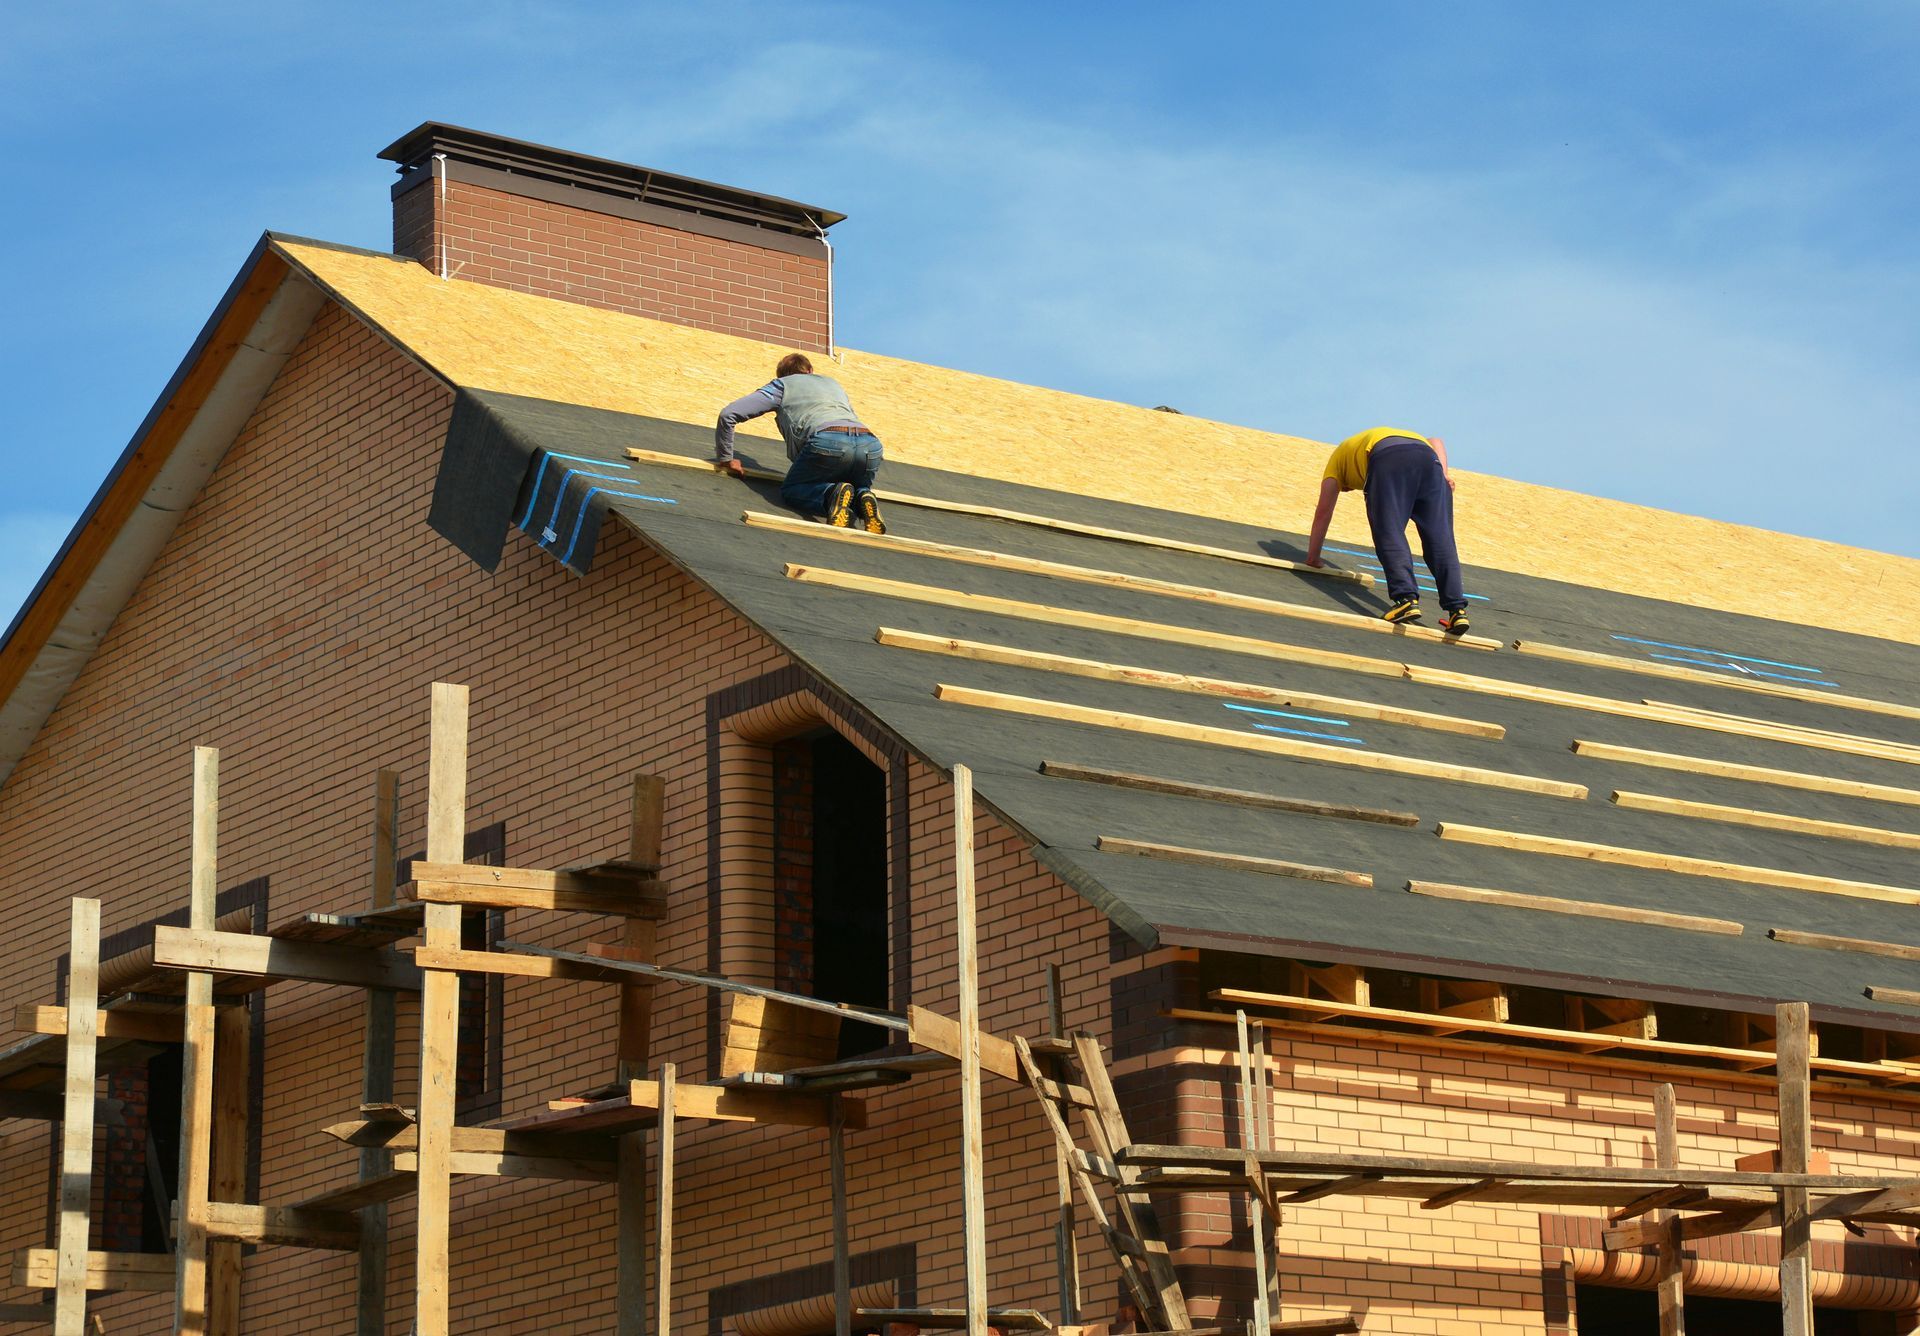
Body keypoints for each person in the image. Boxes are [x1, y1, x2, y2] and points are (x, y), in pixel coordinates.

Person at [1304, 427, 1469, 633]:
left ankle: (1406, 599)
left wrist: (1313, 558)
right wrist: (1443, 475)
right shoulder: (1368, 441)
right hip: (1429, 459)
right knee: (1440, 538)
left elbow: (1323, 511)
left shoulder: (1335, 464)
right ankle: (1457, 611)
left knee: (1388, 529)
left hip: (1388, 457)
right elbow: (1436, 440)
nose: (1347, 489)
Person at [714, 353, 886, 533]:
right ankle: (862, 496)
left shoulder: (782, 386)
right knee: (855, 486)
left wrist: (726, 457)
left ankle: (829, 495)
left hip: (827, 440)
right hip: (870, 444)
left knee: (793, 489)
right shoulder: (833, 384)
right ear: (810, 370)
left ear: (783, 376)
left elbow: (729, 414)